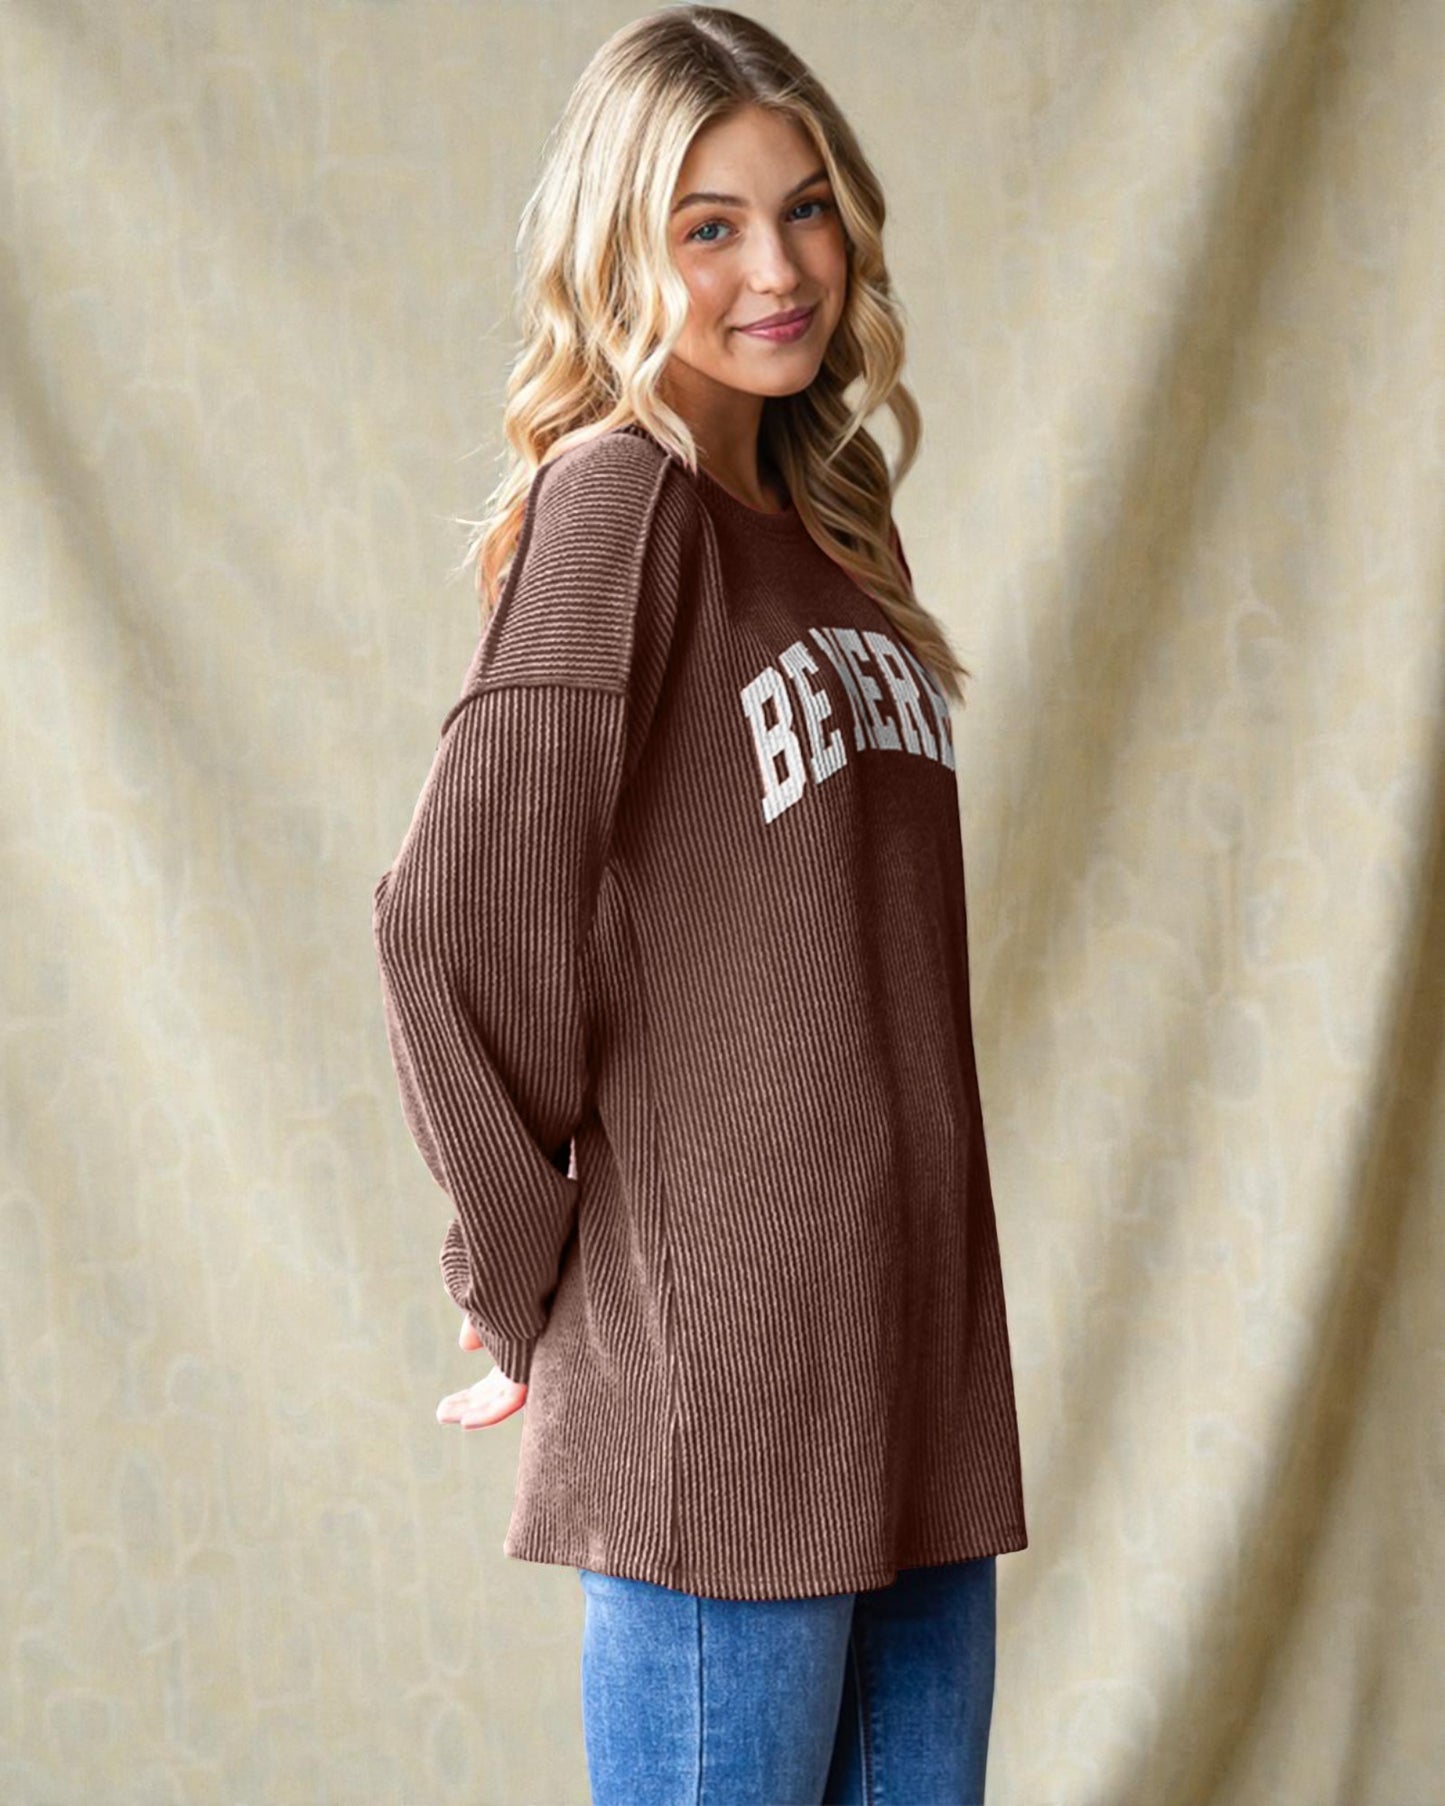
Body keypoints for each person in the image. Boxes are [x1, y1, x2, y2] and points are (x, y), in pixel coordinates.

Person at [370, 7, 1028, 1801]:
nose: (778, 269)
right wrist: (514, 1269)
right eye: (708, 225)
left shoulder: (837, 529)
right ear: (620, 248)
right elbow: (449, 915)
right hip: (720, 1393)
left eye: (804, 209)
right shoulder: (618, 503)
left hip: (911, 1366)